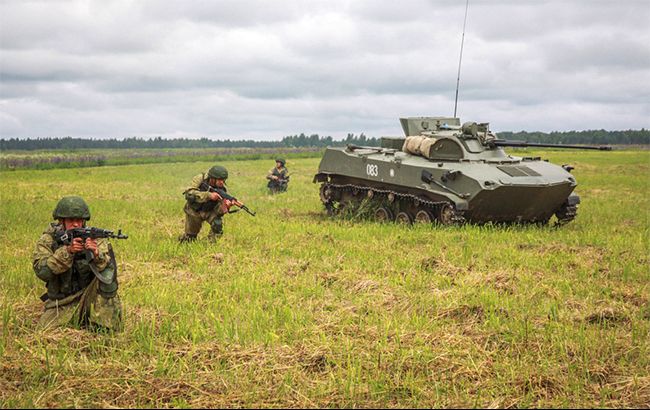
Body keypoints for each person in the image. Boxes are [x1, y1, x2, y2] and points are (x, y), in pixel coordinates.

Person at [32, 196, 122, 331]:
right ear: (61, 221)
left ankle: (104, 326)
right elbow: (42, 272)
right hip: (62, 302)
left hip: (89, 298)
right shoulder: (48, 240)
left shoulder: (94, 238)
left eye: (79, 220)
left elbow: (109, 272)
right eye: (71, 220)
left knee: (108, 283)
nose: (75, 224)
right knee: (43, 332)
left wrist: (96, 255)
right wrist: (67, 252)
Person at [179, 165, 234, 243]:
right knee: (190, 238)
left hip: (209, 211)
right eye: (219, 180)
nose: (222, 182)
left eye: (223, 180)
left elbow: (219, 212)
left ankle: (210, 245)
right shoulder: (200, 178)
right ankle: (185, 239)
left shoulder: (222, 190)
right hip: (195, 211)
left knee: (217, 225)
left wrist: (226, 206)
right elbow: (189, 194)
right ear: (212, 178)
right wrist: (209, 195)